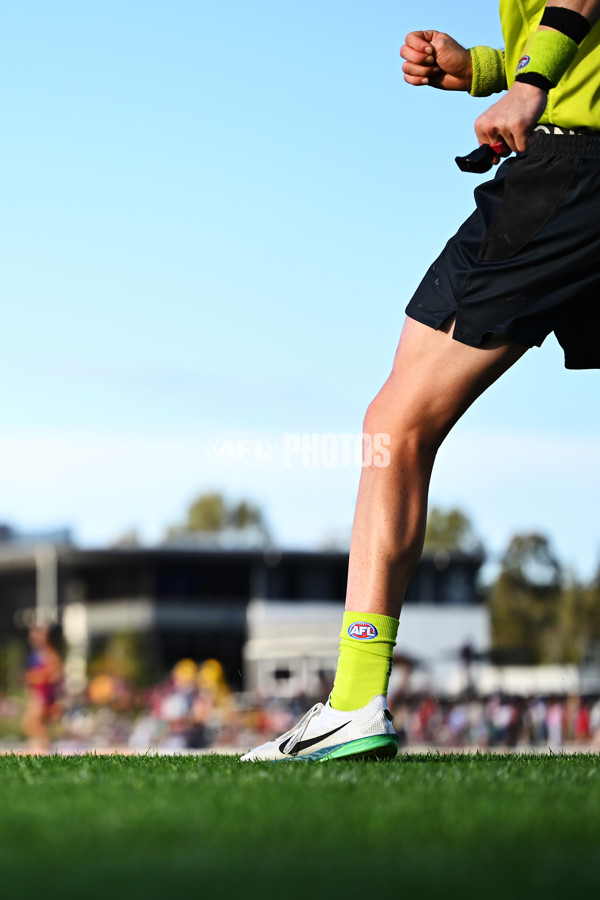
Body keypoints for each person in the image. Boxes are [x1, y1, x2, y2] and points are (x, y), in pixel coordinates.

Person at [241, 0, 600, 761]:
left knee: (395, 426)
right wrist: (486, 69)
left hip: (575, 170)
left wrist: (528, 84)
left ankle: (353, 701)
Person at [22, 624, 64, 753]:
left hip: (44, 694)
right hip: (37, 693)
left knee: (32, 722)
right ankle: (42, 745)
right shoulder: (35, 654)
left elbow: (55, 674)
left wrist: (35, 677)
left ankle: (45, 745)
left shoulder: (50, 654)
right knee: (30, 724)